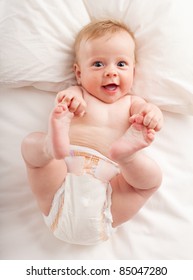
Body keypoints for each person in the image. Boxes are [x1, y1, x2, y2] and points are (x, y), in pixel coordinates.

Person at [21, 19, 163, 245]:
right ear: (79, 73)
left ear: (134, 72)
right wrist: (69, 101)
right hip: (63, 173)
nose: (110, 72)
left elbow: (148, 112)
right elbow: (66, 99)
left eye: (121, 64)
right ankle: (50, 146)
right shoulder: (79, 94)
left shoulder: (133, 103)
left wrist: (151, 114)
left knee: (151, 179)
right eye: (98, 64)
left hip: (109, 192)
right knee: (32, 147)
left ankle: (128, 157)